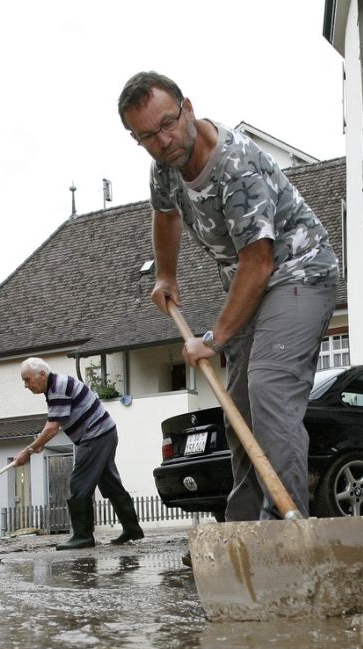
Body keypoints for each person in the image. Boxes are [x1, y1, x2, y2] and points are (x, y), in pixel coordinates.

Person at [117, 72, 339, 524]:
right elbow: (166, 215)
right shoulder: (165, 166)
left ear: (188, 108)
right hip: (251, 289)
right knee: (238, 408)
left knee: (269, 386)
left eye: (167, 124)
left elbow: (259, 263)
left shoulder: (236, 167)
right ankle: (242, 532)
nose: (163, 141)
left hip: (299, 272)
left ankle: (286, 530)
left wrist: (213, 339)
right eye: (147, 136)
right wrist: (165, 275)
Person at [14, 357, 144, 550]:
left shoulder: (57, 387)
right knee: (109, 483)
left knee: (79, 483)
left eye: (28, 379)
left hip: (95, 436)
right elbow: (54, 425)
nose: (26, 385)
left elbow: (52, 428)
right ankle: (132, 529)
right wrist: (39, 444)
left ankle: (83, 536)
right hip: (105, 432)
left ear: (42, 374)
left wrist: (29, 450)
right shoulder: (55, 386)